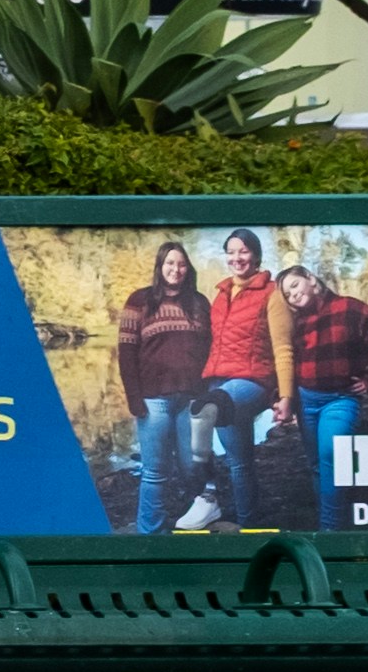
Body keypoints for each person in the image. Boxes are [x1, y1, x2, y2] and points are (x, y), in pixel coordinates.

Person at [182, 226, 298, 526]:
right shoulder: (220, 295)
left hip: (253, 382)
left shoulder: (272, 293)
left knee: (204, 409)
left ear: (256, 255)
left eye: (243, 251)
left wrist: (286, 397)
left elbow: (283, 347)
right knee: (239, 463)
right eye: (231, 252)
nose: (237, 258)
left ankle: (206, 496)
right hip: (218, 381)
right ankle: (249, 524)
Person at [279, 256, 368, 528]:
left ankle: (330, 532)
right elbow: (286, 360)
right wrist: (286, 398)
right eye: (287, 294)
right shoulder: (295, 324)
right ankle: (331, 517)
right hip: (306, 401)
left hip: (340, 400)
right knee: (318, 465)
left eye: (296, 285)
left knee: (332, 455)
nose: (294, 294)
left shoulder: (350, 308)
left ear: (311, 279)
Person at [114, 238, 211, 534]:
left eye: (181, 264)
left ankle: (191, 522)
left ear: (187, 268)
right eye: (170, 263)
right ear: (160, 267)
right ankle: (150, 532)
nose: (176, 269)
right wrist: (134, 398)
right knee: (155, 472)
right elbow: (126, 350)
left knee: (192, 467)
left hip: (191, 400)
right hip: (153, 400)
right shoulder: (139, 301)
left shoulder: (199, 303)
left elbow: (210, 349)